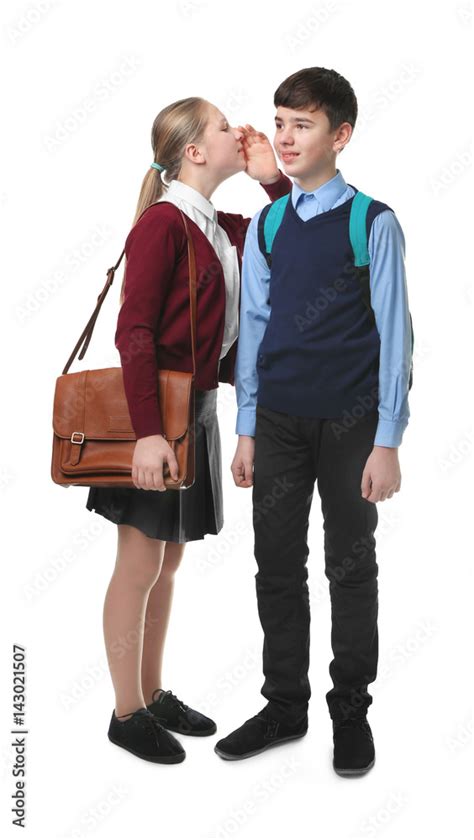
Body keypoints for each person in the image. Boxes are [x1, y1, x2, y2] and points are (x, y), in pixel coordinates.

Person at [214, 67, 413, 776]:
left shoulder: (372, 222)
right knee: (275, 564)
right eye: (279, 122)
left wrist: (386, 440)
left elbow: (396, 336)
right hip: (279, 425)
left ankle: (350, 707)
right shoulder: (268, 223)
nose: (285, 137)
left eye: (302, 124)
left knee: (349, 567)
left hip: (353, 425)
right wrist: (245, 426)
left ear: (341, 135)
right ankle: (285, 705)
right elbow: (257, 327)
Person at [85, 96, 292, 763]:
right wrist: (147, 434)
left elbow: (292, 232)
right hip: (158, 412)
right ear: (195, 152)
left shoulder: (217, 225)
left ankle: (149, 694)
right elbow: (134, 331)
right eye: (226, 127)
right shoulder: (164, 223)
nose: (242, 131)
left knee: (167, 561)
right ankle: (125, 713)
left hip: (193, 407)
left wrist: (270, 177)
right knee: (140, 560)